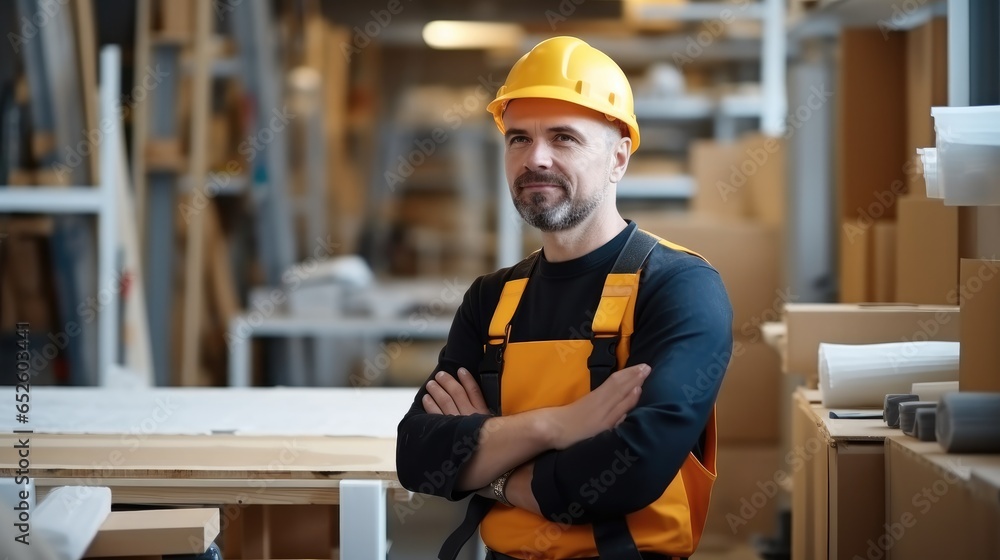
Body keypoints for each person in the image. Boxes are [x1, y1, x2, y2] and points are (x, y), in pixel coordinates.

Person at [395, 36, 733, 560]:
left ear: (619, 158)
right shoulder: (491, 299)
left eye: (564, 137)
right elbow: (419, 456)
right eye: (518, 139)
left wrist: (490, 465)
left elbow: (629, 469)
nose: (537, 159)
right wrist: (558, 425)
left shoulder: (679, 286)